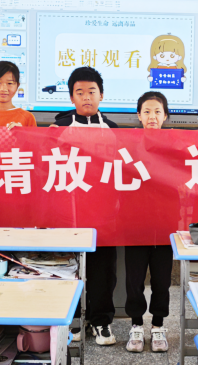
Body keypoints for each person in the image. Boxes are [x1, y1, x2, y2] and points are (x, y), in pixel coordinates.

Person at [50, 67, 119, 345]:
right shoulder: (58, 128)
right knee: (71, 267)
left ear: (101, 95)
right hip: (70, 210)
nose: (86, 97)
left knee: (104, 269)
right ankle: (74, 319)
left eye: (92, 91)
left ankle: (101, 321)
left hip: (105, 210)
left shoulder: (114, 129)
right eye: (80, 92)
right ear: (71, 97)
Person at [125, 91, 172, 354]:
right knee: (134, 281)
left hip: (165, 225)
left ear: (165, 116)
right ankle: (136, 325)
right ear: (139, 115)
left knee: (162, 281)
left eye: (157, 111)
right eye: (147, 111)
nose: (152, 116)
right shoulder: (128, 143)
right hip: (134, 224)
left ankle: (158, 326)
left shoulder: (176, 144)